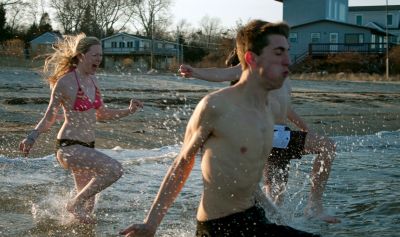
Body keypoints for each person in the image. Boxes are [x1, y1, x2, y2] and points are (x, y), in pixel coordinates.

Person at [121, 20, 320, 237]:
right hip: (220, 228)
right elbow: (181, 165)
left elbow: (245, 175)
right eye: (278, 53)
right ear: (251, 59)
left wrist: (277, 216)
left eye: (288, 53)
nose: (288, 62)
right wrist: (151, 224)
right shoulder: (216, 106)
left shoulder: (266, 110)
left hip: (255, 219)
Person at [179, 52, 340, 224]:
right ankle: (313, 207)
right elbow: (225, 73)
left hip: (279, 136)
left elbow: (286, 109)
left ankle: (257, 222)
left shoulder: (281, 76)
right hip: (265, 133)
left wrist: (306, 129)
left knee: (276, 199)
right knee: (326, 146)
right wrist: (195, 72)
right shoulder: (256, 67)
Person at [19, 33, 143, 224]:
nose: (99, 59)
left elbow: (101, 114)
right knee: (114, 169)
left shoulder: (94, 81)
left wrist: (128, 110)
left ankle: (66, 219)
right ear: (81, 55)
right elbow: (49, 116)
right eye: (95, 55)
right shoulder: (65, 82)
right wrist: (31, 137)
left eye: (101, 55)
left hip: (87, 148)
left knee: (87, 214)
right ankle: (73, 203)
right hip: (69, 147)